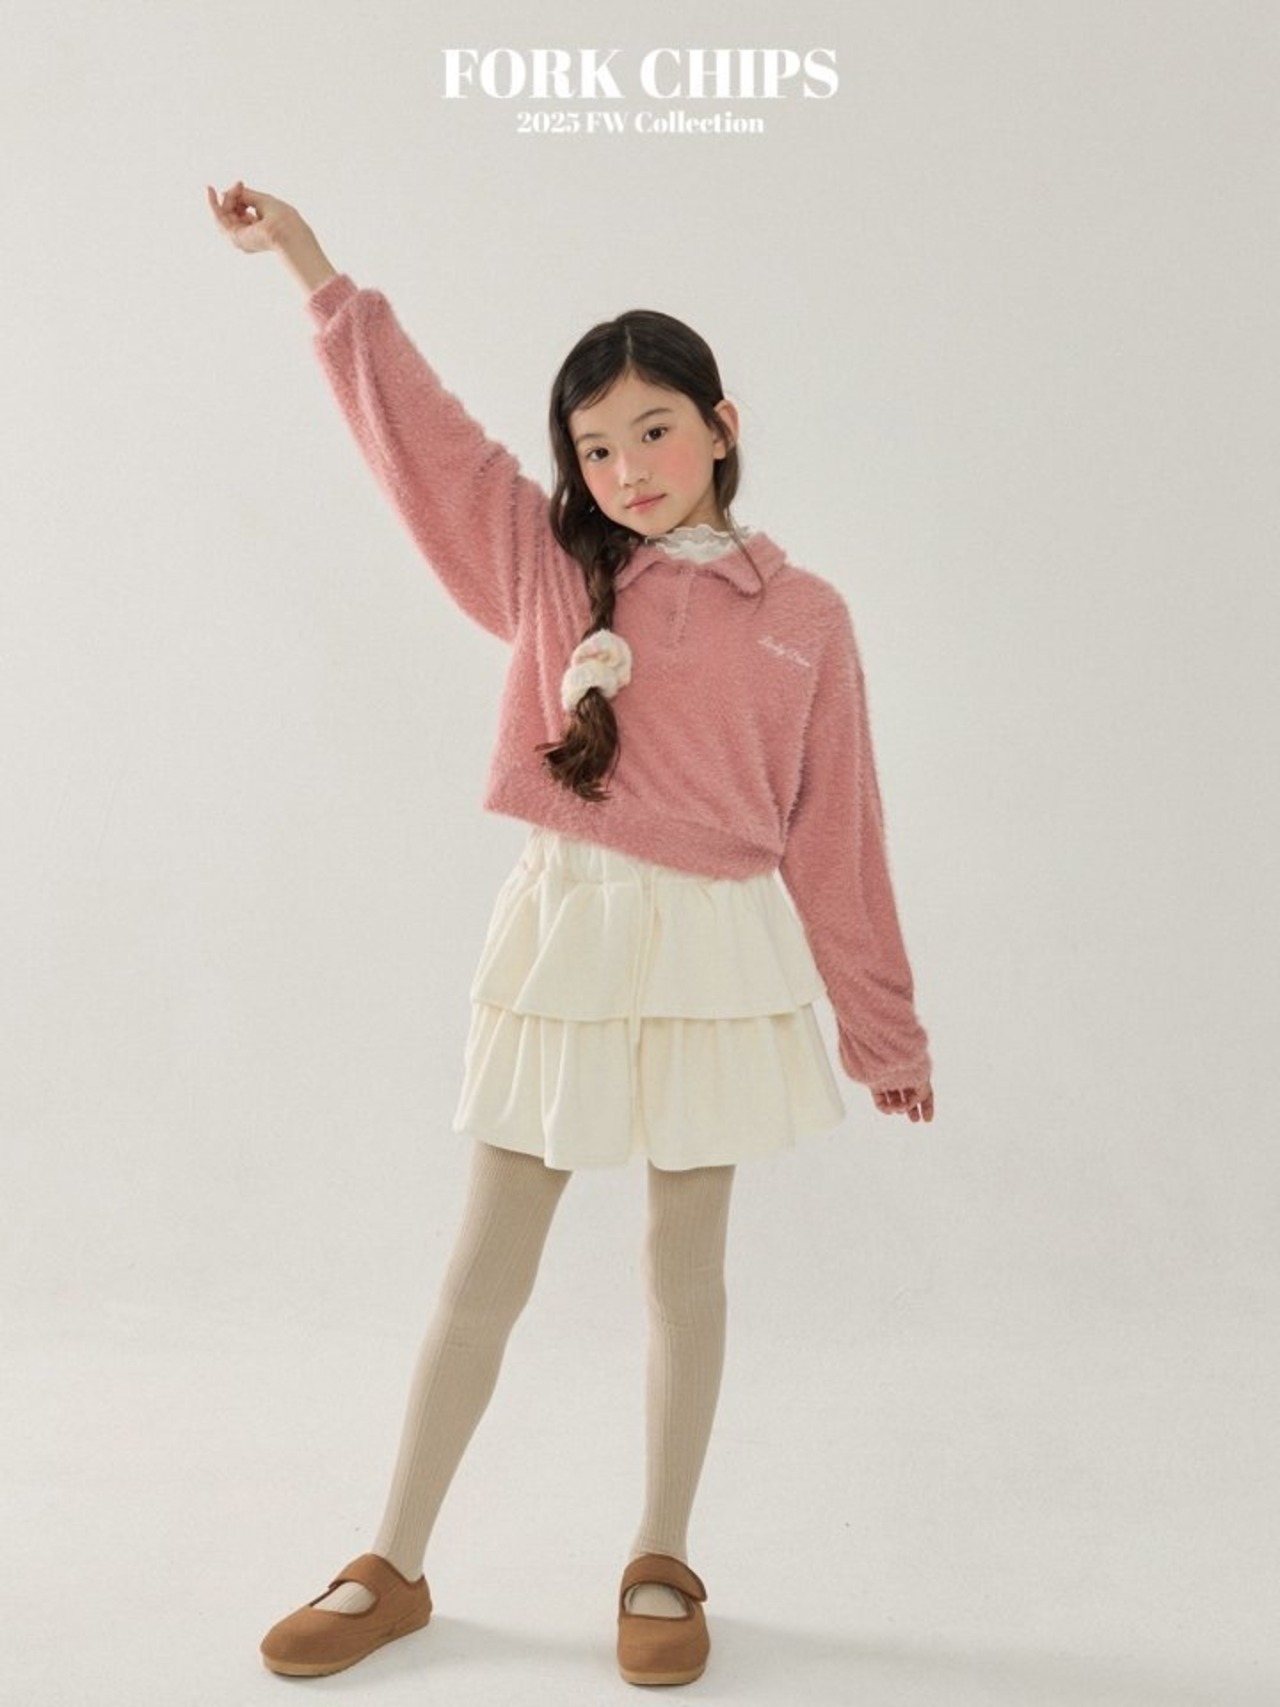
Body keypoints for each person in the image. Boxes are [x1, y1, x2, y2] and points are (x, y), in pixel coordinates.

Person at [206, 178, 936, 1689]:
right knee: (487, 1262)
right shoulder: (547, 565)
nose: (625, 468)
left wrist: (884, 1031)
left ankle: (661, 1557)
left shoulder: (805, 615)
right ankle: (392, 1561)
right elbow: (428, 443)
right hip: (570, 927)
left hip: (717, 950)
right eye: (596, 448)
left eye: (653, 432)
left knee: (686, 1270)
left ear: (721, 425)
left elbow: (839, 835)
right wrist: (315, 273)